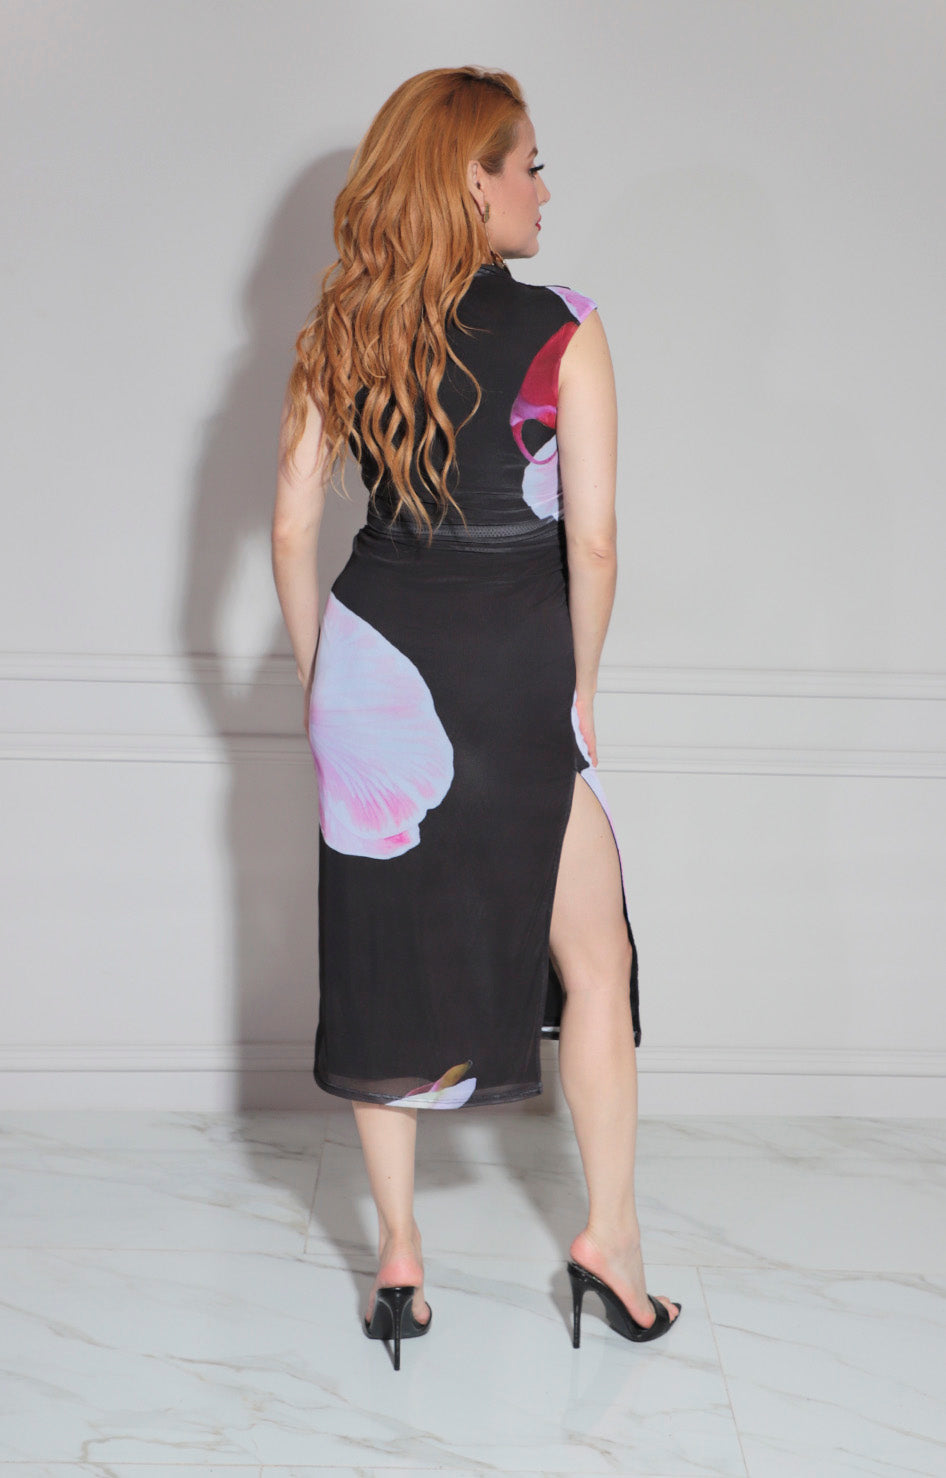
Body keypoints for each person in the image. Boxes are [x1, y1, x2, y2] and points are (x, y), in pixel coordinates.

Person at [271, 66, 681, 1370]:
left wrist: (319, 680)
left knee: (380, 964)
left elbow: (290, 525)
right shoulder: (564, 327)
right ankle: (611, 1244)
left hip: (375, 658)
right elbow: (594, 542)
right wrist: (581, 689)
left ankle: (398, 1257)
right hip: (512, 668)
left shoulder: (345, 322)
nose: (544, 191)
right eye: (530, 164)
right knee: (595, 963)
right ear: (471, 177)